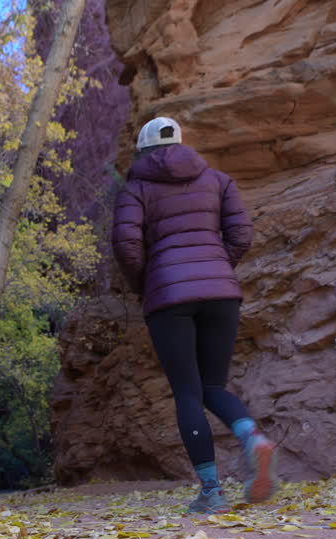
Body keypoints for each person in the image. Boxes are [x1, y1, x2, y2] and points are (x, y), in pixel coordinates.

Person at [111, 116, 277, 514]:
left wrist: (148, 283)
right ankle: (253, 438)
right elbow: (242, 234)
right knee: (213, 386)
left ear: (143, 150)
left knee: (188, 393)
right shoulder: (218, 181)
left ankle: (211, 493)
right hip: (221, 293)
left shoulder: (136, 188)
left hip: (169, 297)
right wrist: (217, 268)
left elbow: (126, 244)